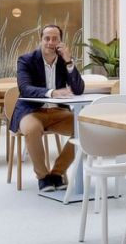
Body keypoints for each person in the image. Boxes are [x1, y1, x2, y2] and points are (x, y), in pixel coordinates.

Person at [11, 23, 84, 191]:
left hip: (57, 112)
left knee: (83, 128)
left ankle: (57, 173)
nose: (50, 42)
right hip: (31, 111)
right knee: (32, 129)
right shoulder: (26, 60)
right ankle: (43, 177)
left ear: (60, 42)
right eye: (47, 38)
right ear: (41, 40)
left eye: (55, 39)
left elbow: (78, 89)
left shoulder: (63, 61)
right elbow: (25, 88)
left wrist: (69, 61)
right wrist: (52, 93)